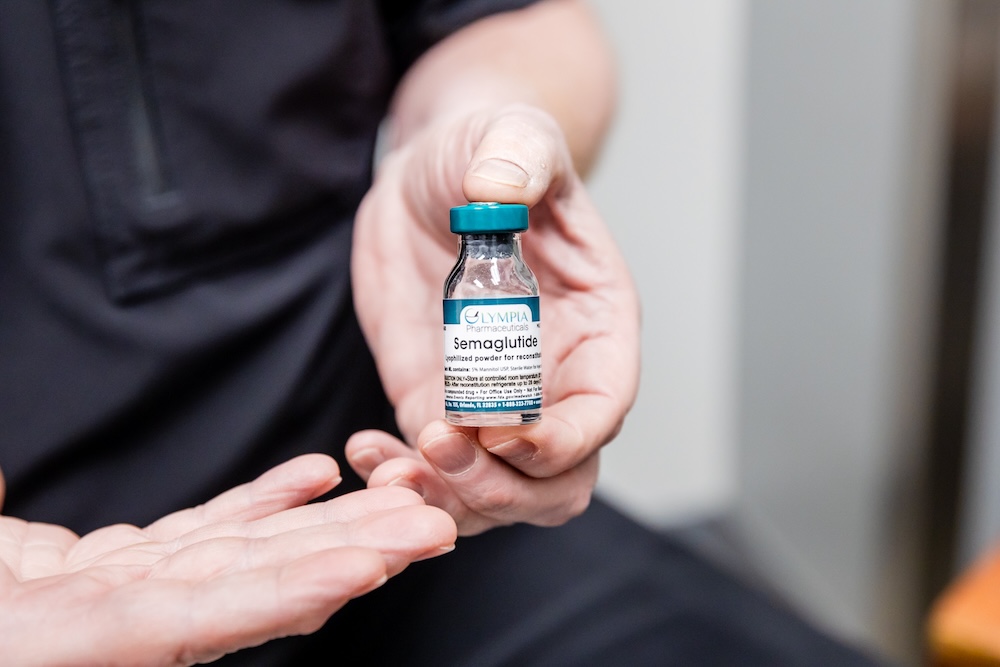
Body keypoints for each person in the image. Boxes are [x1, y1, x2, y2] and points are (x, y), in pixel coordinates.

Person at [0, 0, 890, 664]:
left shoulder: (468, 285)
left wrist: (486, 120)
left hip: (405, 488)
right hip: (49, 579)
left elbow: (517, 20)